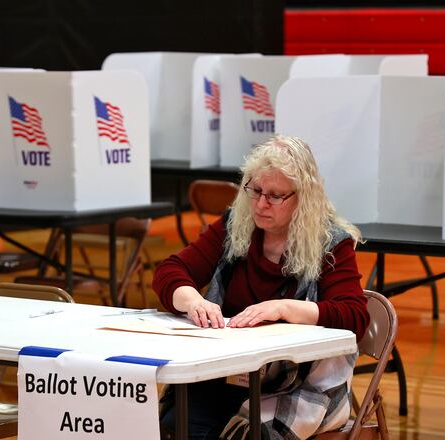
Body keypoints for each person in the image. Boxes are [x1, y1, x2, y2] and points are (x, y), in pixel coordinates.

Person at [154, 135, 369, 440]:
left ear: (303, 198)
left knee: (249, 433)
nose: (260, 203)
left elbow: (354, 317)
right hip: (226, 375)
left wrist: (284, 308)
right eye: (255, 190)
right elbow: (170, 271)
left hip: (295, 384)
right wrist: (192, 301)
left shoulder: (331, 243)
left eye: (275, 195)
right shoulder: (236, 225)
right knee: (177, 425)